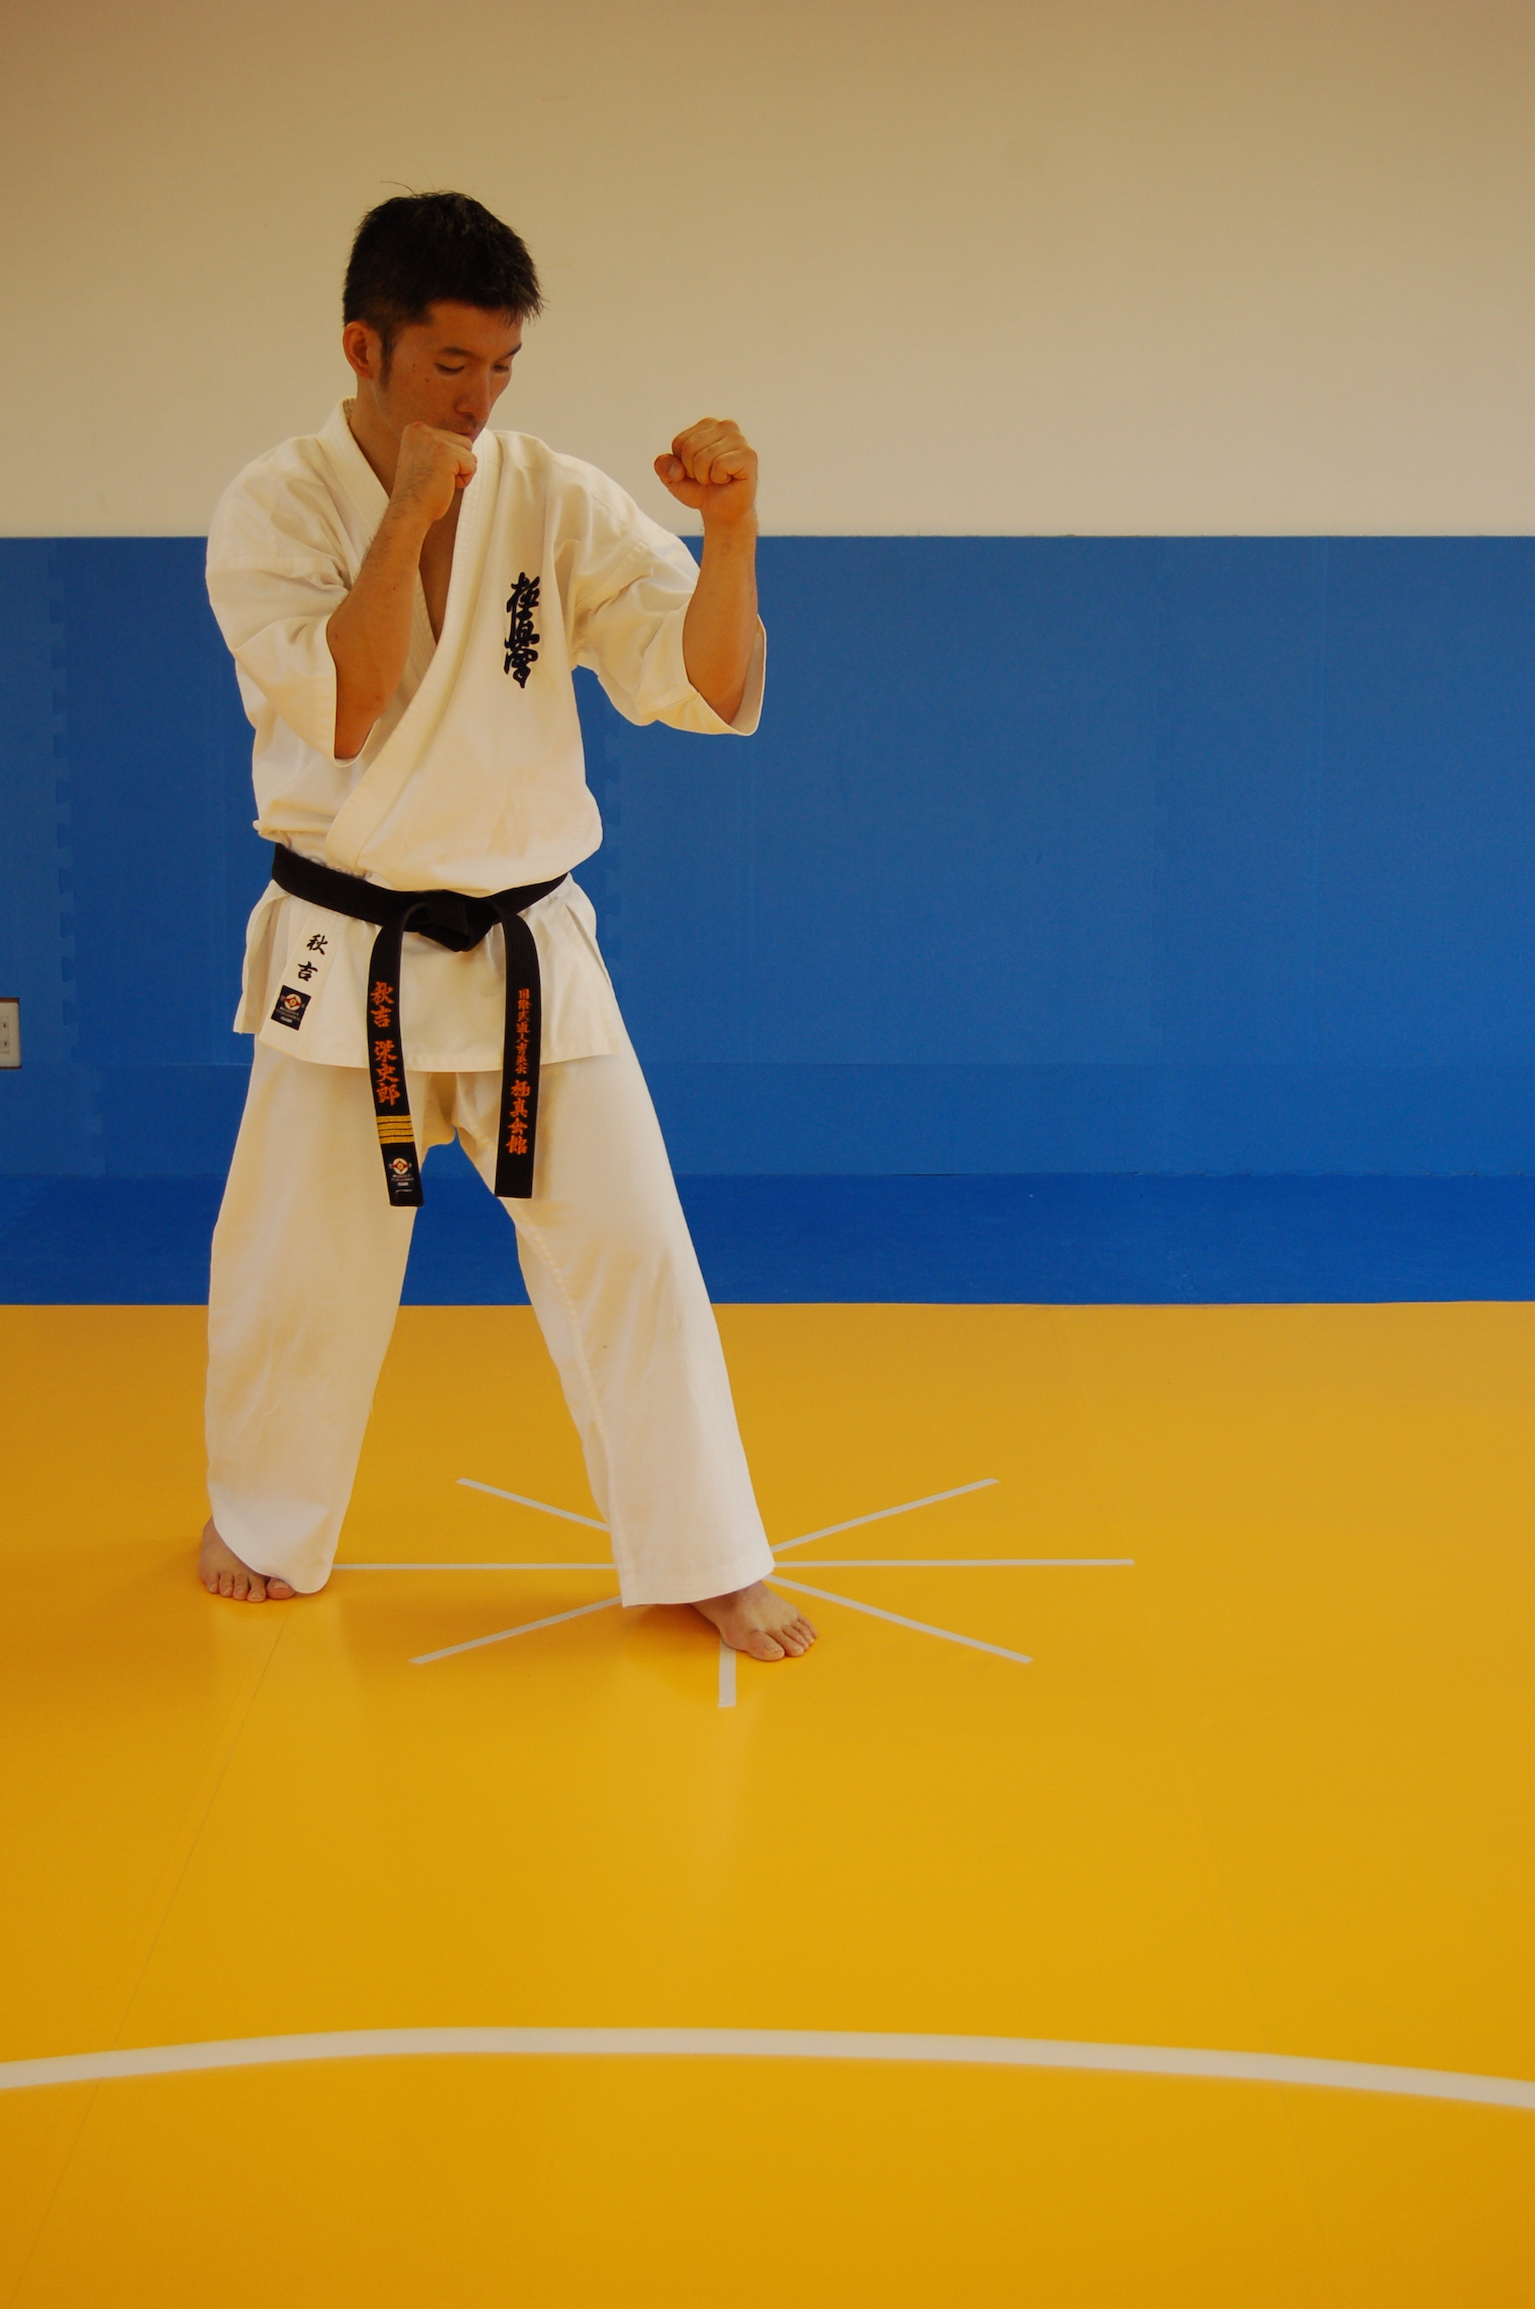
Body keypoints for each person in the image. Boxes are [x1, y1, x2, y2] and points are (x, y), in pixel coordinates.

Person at [197, 191, 815, 1664]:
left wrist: (729, 532)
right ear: (364, 349)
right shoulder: (273, 507)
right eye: (450, 365)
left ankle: (702, 1553)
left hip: (532, 948)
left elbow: (703, 685)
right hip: (348, 949)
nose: (480, 399)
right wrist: (410, 509)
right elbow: (345, 705)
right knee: (298, 1268)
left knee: (636, 1254)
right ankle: (264, 1520)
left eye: (502, 366)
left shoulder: (555, 497)